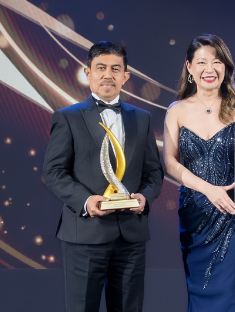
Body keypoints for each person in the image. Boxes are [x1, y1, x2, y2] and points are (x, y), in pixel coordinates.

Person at [43, 41, 163, 312]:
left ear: (125, 76)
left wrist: (145, 198)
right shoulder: (67, 117)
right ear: (88, 73)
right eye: (101, 68)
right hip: (85, 234)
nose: (108, 74)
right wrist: (87, 201)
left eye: (115, 69)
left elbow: (154, 171)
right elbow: (53, 172)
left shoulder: (142, 118)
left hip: (131, 236)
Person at [163, 34, 235, 312]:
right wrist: (208, 189)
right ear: (189, 67)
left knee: (233, 294)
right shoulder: (176, 110)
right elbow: (170, 163)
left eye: (217, 62)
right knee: (201, 294)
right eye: (201, 62)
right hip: (195, 215)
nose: (209, 69)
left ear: (226, 67)